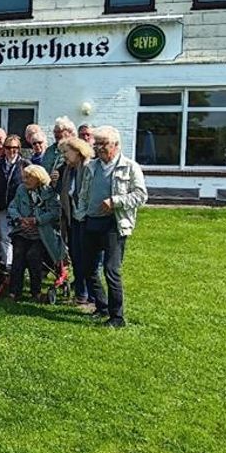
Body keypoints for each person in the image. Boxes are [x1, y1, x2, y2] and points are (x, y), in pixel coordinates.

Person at [76, 126, 148, 328]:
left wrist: (115, 201)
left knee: (111, 269)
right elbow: (83, 193)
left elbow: (141, 196)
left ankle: (117, 317)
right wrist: (80, 214)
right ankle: (102, 307)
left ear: (116, 145)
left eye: (103, 144)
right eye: (96, 144)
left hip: (114, 224)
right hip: (91, 221)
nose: (98, 148)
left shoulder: (130, 167)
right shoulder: (91, 167)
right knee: (87, 268)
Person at [7, 165, 68, 302]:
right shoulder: (21, 189)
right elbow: (13, 206)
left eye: (29, 177)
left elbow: (55, 212)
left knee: (33, 255)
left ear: (38, 178)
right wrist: (20, 219)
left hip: (43, 234)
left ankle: (36, 291)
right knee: (18, 254)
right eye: (24, 177)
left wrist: (37, 220)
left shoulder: (49, 191)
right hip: (23, 231)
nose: (25, 180)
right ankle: (14, 292)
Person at [59, 136, 96, 305]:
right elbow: (65, 192)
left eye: (66, 152)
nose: (64, 156)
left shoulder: (88, 167)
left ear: (78, 151)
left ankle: (90, 295)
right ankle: (81, 294)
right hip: (72, 219)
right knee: (75, 255)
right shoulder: (68, 169)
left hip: (86, 220)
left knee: (86, 258)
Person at [0, 134, 30, 273]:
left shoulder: (25, 164)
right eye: (8, 147)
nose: (11, 150)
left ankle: (18, 264)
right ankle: (7, 264)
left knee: (18, 236)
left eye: (14, 147)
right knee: (3, 235)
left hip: (20, 208)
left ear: (19, 148)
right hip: (2, 206)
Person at [43, 116, 76, 182]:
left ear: (69, 132)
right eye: (55, 132)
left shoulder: (75, 150)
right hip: (49, 187)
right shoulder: (50, 150)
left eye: (59, 132)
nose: (56, 135)